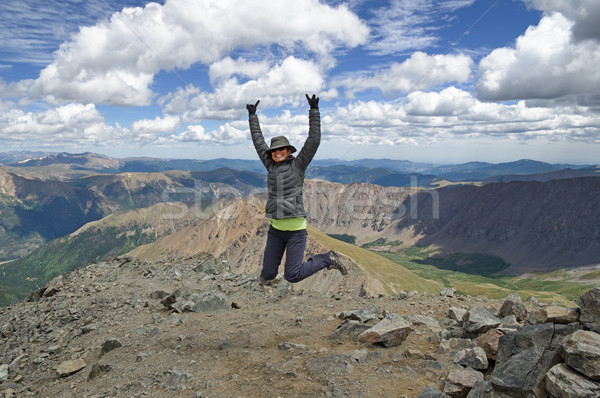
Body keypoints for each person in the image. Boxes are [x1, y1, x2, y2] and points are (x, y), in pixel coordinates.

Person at [246, 94, 347, 285]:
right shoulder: (270, 165)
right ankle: (262, 290)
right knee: (267, 274)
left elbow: (313, 141)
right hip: (275, 229)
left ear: (289, 151)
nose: (277, 152)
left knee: (292, 275)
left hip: (296, 232)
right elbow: (258, 142)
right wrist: (253, 116)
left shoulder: (299, 165)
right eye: (274, 150)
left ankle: (328, 259)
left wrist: (314, 111)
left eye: (281, 149)